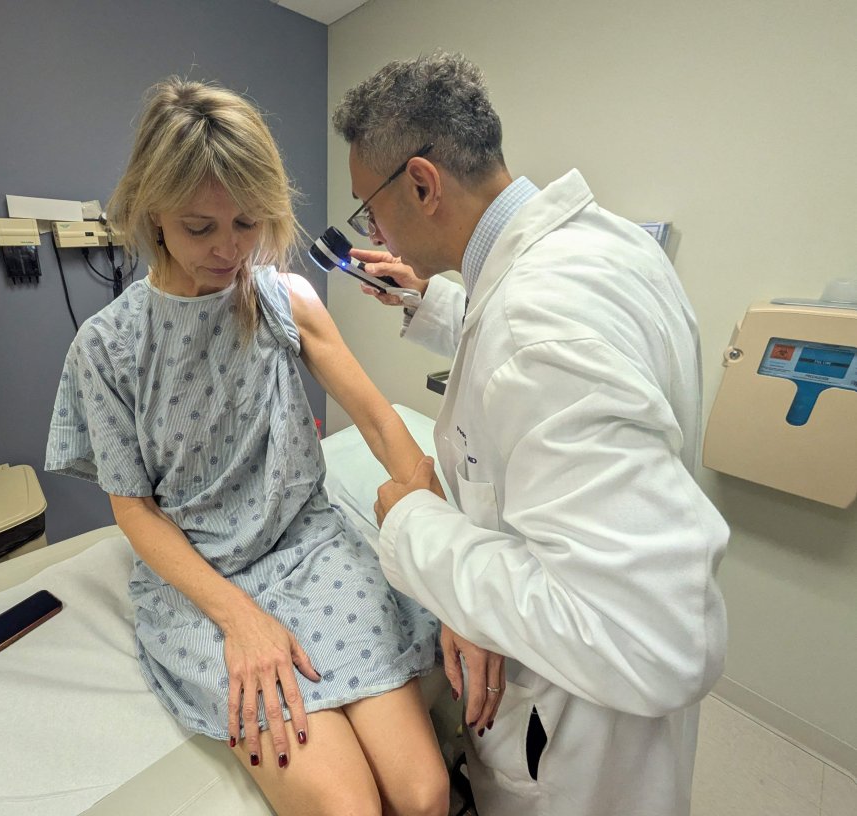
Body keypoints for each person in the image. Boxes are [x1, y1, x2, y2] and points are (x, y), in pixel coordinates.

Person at [332, 53, 729, 816]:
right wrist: (434, 306)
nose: (372, 231)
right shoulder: (607, 247)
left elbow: (654, 643)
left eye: (369, 208)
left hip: (577, 743)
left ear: (422, 183)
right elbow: (544, 360)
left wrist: (414, 523)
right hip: (615, 729)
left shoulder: (535, 328)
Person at [45, 78, 450, 816]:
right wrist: (239, 617)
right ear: (150, 212)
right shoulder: (104, 349)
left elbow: (382, 420)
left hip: (308, 543)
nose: (230, 250)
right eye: (201, 228)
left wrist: (451, 558)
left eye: (247, 222)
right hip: (200, 576)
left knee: (423, 796)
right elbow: (133, 511)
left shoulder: (281, 297)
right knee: (349, 809)